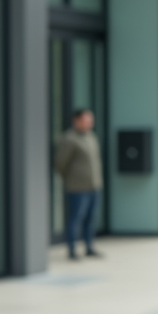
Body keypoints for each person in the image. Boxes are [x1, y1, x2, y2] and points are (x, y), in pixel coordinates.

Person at [54, 108, 103, 260]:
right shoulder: (69, 139)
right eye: (87, 120)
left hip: (94, 186)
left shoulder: (91, 137)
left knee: (90, 219)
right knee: (75, 218)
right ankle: (72, 249)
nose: (90, 123)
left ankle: (89, 247)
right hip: (77, 187)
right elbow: (60, 163)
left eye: (91, 120)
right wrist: (71, 178)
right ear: (76, 121)